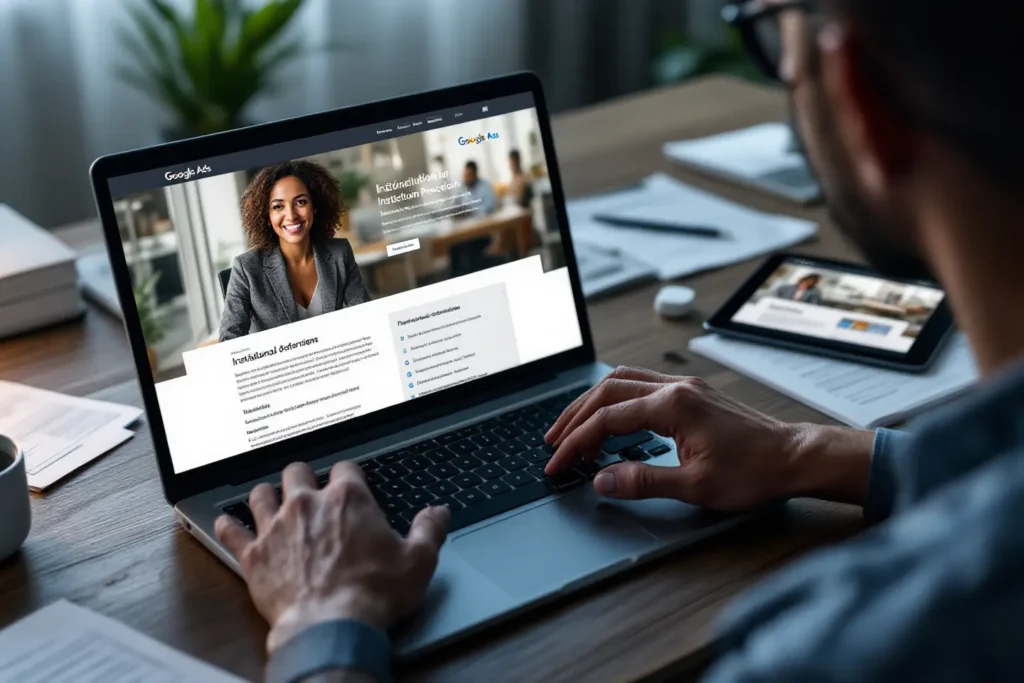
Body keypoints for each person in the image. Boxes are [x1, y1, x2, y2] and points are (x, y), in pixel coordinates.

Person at [215, 0, 1024, 680]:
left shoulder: (836, 651)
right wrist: (813, 452)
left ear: (861, 103)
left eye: (777, 33)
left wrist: (323, 631)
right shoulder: (250, 274)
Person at [219, 160, 370, 341]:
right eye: (278, 206)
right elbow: (229, 341)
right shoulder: (246, 268)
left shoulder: (340, 252)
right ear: (266, 216)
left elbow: (366, 316)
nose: (291, 215)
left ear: (315, 206)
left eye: (300, 202)